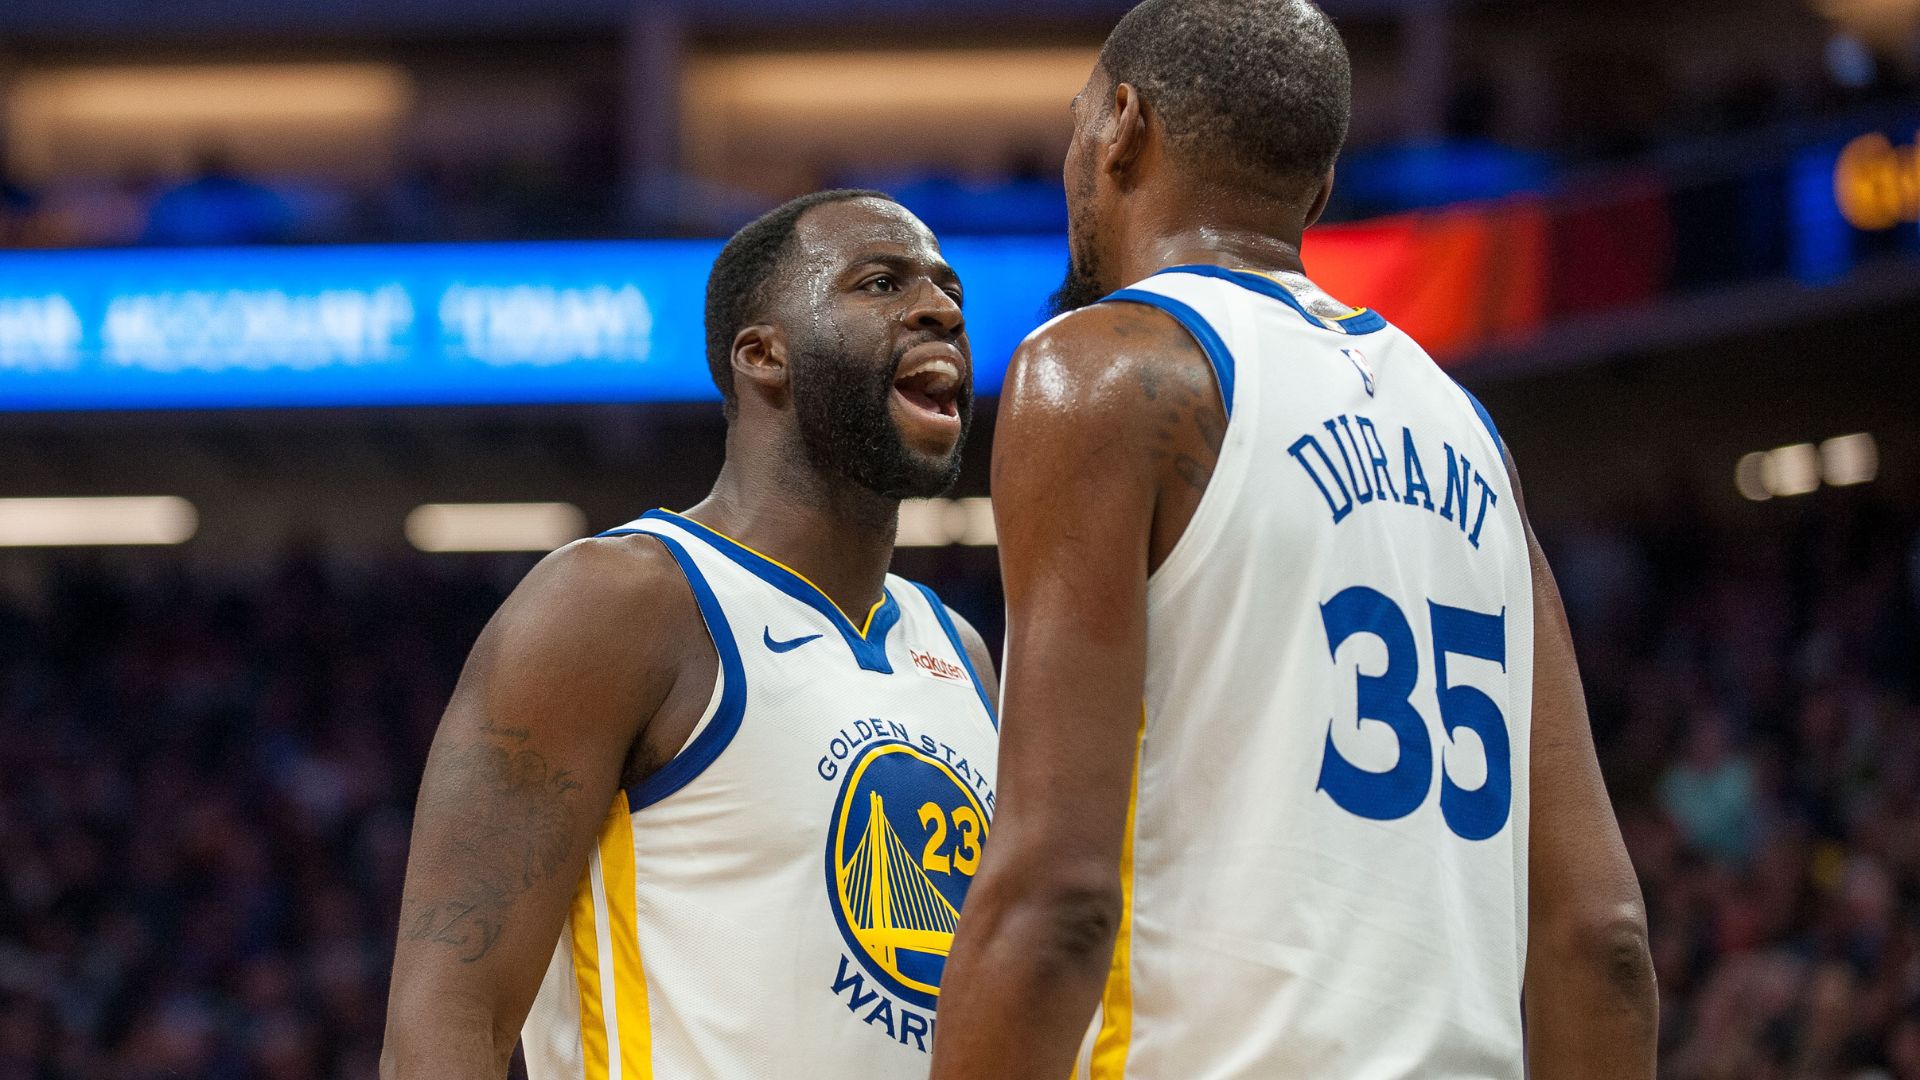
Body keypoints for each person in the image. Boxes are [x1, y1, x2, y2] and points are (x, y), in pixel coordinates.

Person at [929, 2, 1657, 1078]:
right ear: (1317, 191)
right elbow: (1604, 940)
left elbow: (1057, 898)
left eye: (1078, 124)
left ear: (1123, 126)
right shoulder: (1471, 434)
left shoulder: (1106, 370)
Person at [382, 189, 1001, 1079]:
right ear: (762, 355)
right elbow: (447, 1021)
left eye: (950, 290)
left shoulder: (960, 650)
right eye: (880, 283)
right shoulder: (618, 603)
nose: (941, 308)